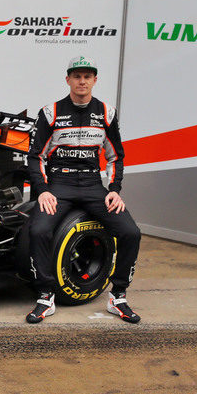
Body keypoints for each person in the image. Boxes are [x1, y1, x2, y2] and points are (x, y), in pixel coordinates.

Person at [25, 56, 142, 325]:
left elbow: (115, 157)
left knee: (130, 232)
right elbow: (36, 157)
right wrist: (42, 190)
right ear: (68, 80)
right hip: (59, 185)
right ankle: (45, 295)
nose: (82, 81)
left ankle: (118, 296)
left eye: (87, 76)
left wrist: (114, 189)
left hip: (92, 185)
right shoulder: (51, 112)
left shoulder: (106, 113)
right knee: (38, 230)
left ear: (94, 80)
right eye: (77, 76)